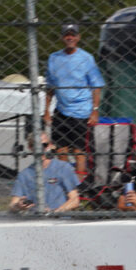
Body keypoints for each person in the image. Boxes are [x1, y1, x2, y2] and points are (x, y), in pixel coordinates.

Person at [43, 22, 105, 181]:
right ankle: (64, 182)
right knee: (61, 149)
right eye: (66, 35)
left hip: (82, 112)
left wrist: (95, 110)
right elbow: (50, 87)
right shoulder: (54, 58)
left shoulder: (86, 58)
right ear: (62, 37)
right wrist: (46, 110)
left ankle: (80, 185)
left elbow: (96, 86)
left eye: (73, 34)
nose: (69, 37)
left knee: (79, 150)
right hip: (61, 110)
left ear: (78, 37)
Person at [8, 134, 80, 213]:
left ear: (50, 146)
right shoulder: (25, 174)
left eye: (44, 145)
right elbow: (13, 204)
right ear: (30, 147)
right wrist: (19, 205)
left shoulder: (63, 167)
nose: (41, 149)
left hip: (59, 219)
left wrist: (53, 213)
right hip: (34, 220)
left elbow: (75, 200)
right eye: (36, 146)